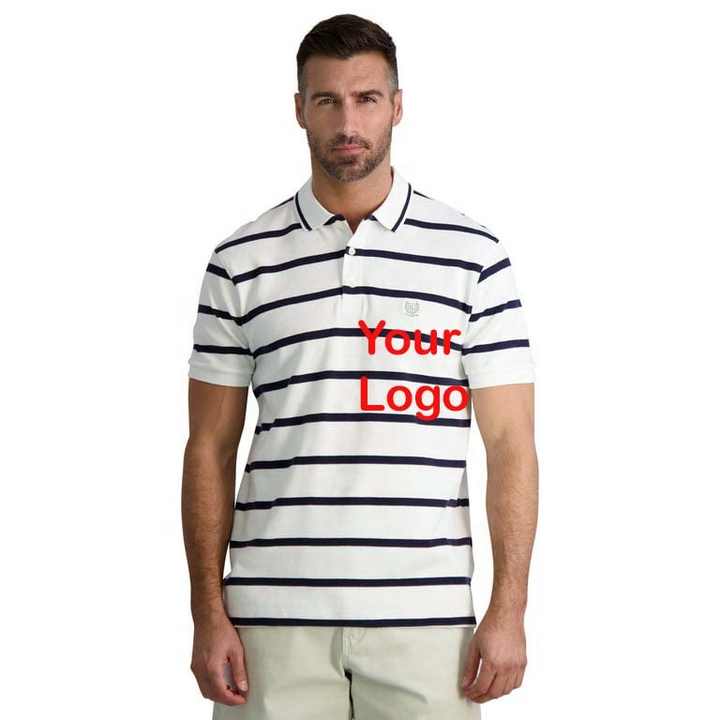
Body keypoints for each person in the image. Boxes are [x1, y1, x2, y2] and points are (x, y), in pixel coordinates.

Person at [182, 13, 539, 719]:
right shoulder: (240, 261)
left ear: (397, 106)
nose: (348, 123)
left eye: (367, 98)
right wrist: (207, 613)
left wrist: (509, 609)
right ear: (299, 109)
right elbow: (208, 448)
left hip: (427, 622)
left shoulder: (473, 257)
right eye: (328, 100)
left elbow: (510, 446)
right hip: (269, 623)